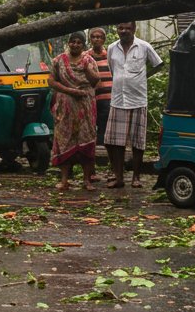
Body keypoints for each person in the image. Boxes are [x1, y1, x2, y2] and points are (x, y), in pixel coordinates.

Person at [104, 21, 163, 188]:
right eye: (120, 28)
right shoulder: (112, 48)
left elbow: (158, 64)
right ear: (117, 29)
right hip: (118, 100)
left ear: (134, 29)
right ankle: (119, 177)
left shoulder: (144, 46)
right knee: (116, 142)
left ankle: (136, 177)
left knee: (138, 141)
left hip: (138, 100)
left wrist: (144, 77)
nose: (124, 31)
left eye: (128, 28)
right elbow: (113, 70)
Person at [48, 31, 100, 191]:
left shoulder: (89, 60)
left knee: (87, 139)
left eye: (79, 42)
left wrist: (87, 69)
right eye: (73, 42)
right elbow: (51, 81)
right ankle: (64, 180)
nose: (75, 45)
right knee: (64, 140)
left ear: (83, 45)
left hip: (85, 106)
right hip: (65, 107)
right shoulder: (58, 60)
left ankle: (87, 180)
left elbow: (95, 81)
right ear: (68, 43)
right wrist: (70, 90)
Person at [88, 27, 113, 168]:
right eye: (93, 37)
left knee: (104, 126)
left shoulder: (110, 55)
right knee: (91, 125)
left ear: (104, 39)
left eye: (99, 37)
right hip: (91, 97)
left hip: (107, 96)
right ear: (90, 39)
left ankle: (102, 157)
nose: (96, 39)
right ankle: (90, 156)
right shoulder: (86, 56)